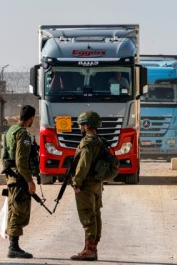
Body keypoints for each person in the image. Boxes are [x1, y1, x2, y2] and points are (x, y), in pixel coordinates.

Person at [70, 110, 105, 261]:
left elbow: (83, 165)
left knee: (87, 214)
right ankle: (92, 248)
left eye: (82, 124)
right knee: (95, 214)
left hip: (86, 184)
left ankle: (89, 250)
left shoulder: (87, 142)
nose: (80, 127)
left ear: (87, 125)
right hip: (97, 183)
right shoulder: (99, 141)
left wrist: (76, 182)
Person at [3, 105, 37, 259]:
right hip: (20, 178)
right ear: (31, 118)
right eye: (32, 120)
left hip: (12, 177)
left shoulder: (10, 131)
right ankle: (13, 247)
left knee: (13, 209)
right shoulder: (22, 134)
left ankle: (13, 245)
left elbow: (4, 157)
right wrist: (30, 181)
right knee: (19, 211)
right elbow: (21, 161)